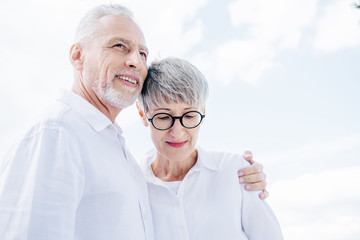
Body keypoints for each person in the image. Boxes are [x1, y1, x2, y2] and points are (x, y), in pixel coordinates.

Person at [0, 4, 267, 240]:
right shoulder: (57, 133)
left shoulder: (117, 152)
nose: (135, 62)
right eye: (120, 46)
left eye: (142, 53)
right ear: (77, 55)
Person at [137, 57, 283, 240]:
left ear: (203, 112)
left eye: (189, 116)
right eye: (164, 117)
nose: (177, 133)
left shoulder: (234, 171)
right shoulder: (134, 184)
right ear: (143, 114)